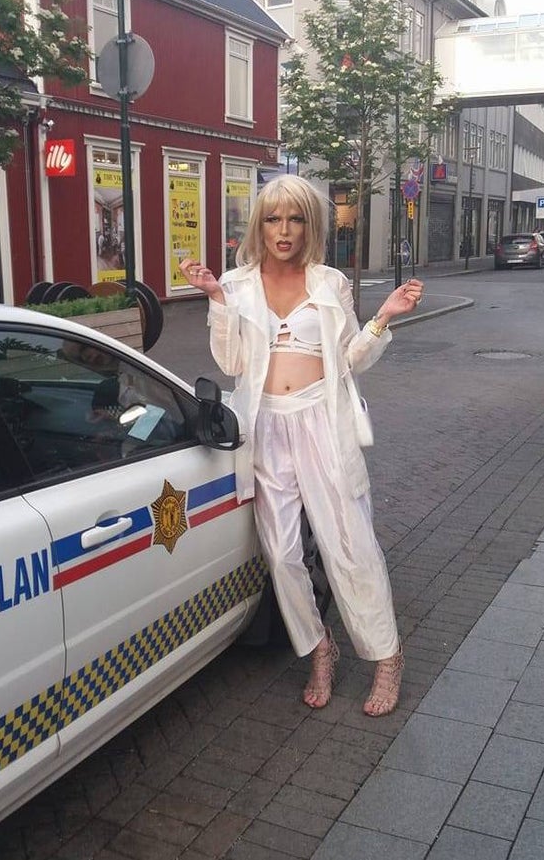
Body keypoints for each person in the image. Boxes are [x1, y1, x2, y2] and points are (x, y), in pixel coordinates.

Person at [180, 175, 422, 716]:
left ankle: (386, 656)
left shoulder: (329, 282)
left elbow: (352, 358)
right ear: (258, 225)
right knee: (283, 553)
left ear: (309, 224)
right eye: (272, 219)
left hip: (321, 419)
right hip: (267, 425)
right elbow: (232, 364)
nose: (283, 231)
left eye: (294, 219)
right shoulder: (238, 284)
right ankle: (319, 647)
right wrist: (217, 299)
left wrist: (383, 318)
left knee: (349, 545)